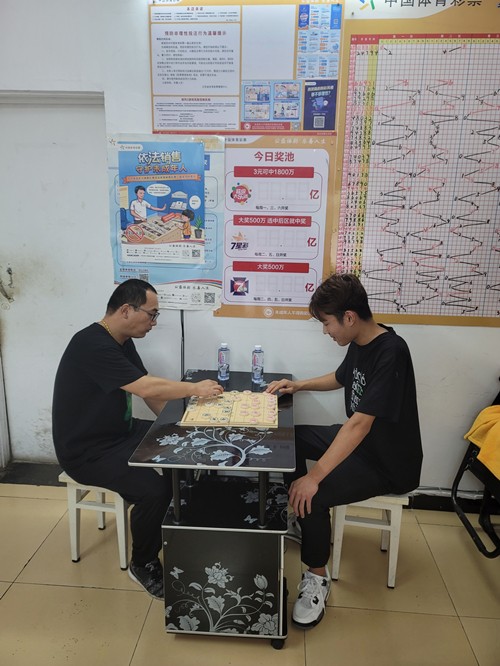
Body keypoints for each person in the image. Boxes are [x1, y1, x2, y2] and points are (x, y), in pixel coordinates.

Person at [265, 273, 422, 628]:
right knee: (289, 439)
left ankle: (316, 578)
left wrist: (314, 477)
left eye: (326, 323)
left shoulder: (391, 351)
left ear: (349, 317)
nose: (325, 331)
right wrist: (298, 385)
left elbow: (360, 424)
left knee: (314, 494)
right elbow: (341, 377)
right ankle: (303, 521)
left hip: (386, 461)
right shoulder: (361, 340)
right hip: (362, 443)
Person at [52, 279, 223, 599]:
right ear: (126, 310)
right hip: (87, 451)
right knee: (153, 491)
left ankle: (178, 526)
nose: (154, 322)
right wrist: (194, 389)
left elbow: (147, 390)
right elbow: (146, 387)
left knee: (186, 448)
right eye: (152, 314)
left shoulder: (120, 340)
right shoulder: (91, 345)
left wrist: (176, 428)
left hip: (120, 432)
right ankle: (143, 563)